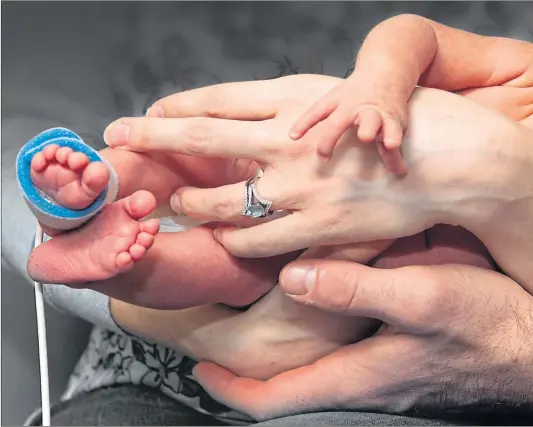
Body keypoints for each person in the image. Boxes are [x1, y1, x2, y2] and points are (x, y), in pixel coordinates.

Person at [40, 74, 533, 425]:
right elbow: (415, 32)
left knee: (229, 265)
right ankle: (96, 190)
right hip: (326, 185)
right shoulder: (515, 75)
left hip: (377, 302)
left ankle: (110, 261)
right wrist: (383, 84)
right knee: (201, 183)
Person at [289, 14, 533, 176]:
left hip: (329, 233)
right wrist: (381, 85)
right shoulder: (525, 71)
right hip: (305, 132)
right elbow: (422, 35)